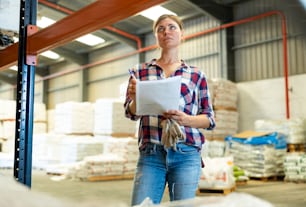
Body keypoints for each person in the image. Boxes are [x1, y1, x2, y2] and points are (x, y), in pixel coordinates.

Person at [124, 14, 215, 206]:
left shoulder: (196, 74)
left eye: (172, 27)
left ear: (182, 35)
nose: (166, 31)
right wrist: (135, 99)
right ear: (156, 36)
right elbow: (131, 113)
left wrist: (185, 119)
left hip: (186, 153)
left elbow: (209, 119)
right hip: (151, 153)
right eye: (161, 29)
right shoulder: (139, 71)